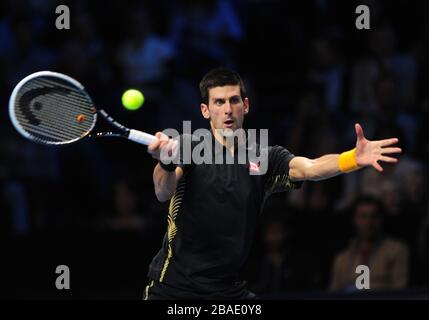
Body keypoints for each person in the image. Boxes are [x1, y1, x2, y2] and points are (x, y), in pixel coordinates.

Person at [144, 68, 401, 300]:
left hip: (228, 290)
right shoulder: (188, 147)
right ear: (205, 110)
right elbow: (162, 191)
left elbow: (310, 168)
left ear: (245, 105)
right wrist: (165, 163)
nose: (227, 109)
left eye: (234, 100)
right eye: (218, 102)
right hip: (173, 289)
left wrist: (352, 158)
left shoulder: (265, 158)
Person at [329, 196, 409, 292]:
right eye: (363, 216)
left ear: (381, 219)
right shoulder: (342, 259)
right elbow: (333, 294)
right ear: (354, 220)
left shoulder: (396, 251)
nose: (369, 222)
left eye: (374, 216)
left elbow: (400, 292)